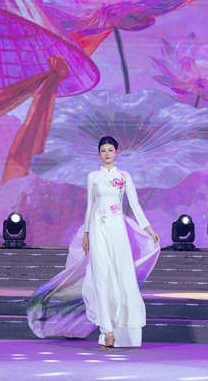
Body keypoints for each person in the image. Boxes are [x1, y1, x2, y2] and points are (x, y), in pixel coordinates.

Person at [27, 136, 160, 349]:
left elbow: (134, 204)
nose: (107, 154)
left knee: (121, 275)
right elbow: (90, 206)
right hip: (98, 229)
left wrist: (148, 228)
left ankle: (122, 328)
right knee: (101, 277)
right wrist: (87, 234)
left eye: (110, 150)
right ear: (99, 154)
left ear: (117, 153)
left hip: (117, 230)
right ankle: (107, 331)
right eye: (103, 151)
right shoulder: (93, 177)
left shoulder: (124, 176)